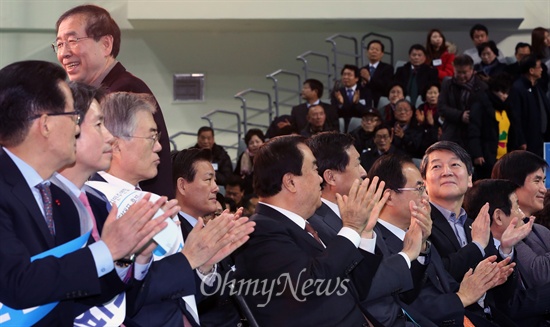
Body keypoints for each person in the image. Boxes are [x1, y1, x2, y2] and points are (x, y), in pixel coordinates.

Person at [0, 60, 166, 326]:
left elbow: (69, 294)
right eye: (72, 117)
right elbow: (17, 283)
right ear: (45, 125)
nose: (76, 128)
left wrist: (123, 256)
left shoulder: (46, 191)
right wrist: (108, 249)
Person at [96, 92, 255, 327]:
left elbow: (183, 296)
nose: (160, 146)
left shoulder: (148, 200)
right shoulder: (97, 204)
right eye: (151, 137)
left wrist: (203, 264)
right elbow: (122, 296)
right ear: (117, 144)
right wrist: (187, 259)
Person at [233, 135, 385, 326]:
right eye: (314, 169)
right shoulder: (259, 232)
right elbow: (310, 284)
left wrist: (363, 234)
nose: (320, 178)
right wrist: (352, 228)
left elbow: (355, 287)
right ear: (290, 182)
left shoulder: (304, 226)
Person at [367, 154, 512, 327]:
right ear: (389, 196)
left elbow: (447, 286)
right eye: (419, 189)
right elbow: (406, 307)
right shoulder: (372, 243)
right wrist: (462, 297)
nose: (426, 198)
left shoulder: (420, 234)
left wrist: (480, 282)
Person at [306, 133, 425, 327]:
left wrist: (421, 250)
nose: (364, 172)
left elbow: (401, 287)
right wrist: (407, 254)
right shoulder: (315, 225)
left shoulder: (365, 210)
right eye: (356, 164)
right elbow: (360, 287)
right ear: (331, 177)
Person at [55, 4, 173, 198]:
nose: (64, 53)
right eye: (59, 44)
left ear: (106, 45)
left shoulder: (124, 93)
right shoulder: (99, 92)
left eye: (72, 40)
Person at [172, 148, 245, 326]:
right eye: (208, 180)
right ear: (182, 185)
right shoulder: (172, 233)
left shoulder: (210, 228)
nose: (215, 188)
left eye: (215, 180)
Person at [463, 179, 550, 326]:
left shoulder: (530, 238)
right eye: (517, 206)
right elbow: (510, 306)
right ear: (498, 217)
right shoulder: (478, 256)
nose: (523, 215)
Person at [468, 73, 518, 180]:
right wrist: (477, 154)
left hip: (504, 157)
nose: (505, 96)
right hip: (487, 157)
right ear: (494, 91)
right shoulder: (481, 105)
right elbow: (474, 131)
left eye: (507, 93)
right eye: (502, 92)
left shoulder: (507, 107)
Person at [439, 54, 487, 148]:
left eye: (465, 72)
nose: (461, 76)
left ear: (472, 70)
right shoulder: (447, 84)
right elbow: (441, 107)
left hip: (474, 135)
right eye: (458, 72)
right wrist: (460, 115)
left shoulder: (482, 87)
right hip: (451, 133)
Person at [507, 55, 550, 157]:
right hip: (528, 140)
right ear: (531, 70)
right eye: (539, 67)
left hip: (542, 139)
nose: (541, 69)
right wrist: (521, 140)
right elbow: (515, 117)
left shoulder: (537, 86)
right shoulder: (518, 88)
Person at [331, 64, 372, 132]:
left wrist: (356, 103)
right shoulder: (337, 92)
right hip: (342, 126)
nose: (346, 77)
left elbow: (367, 111)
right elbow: (333, 113)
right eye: (344, 74)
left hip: (360, 126)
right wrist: (341, 104)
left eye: (349, 75)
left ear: (356, 78)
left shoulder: (365, 91)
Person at [360, 40, 394, 106]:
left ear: (382, 54)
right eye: (372, 49)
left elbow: (386, 86)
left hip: (380, 101)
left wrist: (369, 78)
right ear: (367, 52)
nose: (374, 51)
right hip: (364, 102)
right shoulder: (362, 70)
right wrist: (362, 84)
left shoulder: (387, 68)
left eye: (377, 50)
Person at [234, 128, 265, 195]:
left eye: (257, 142)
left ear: (263, 142)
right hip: (245, 188)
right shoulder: (244, 155)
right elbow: (236, 174)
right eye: (251, 143)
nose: (255, 145)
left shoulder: (267, 156)